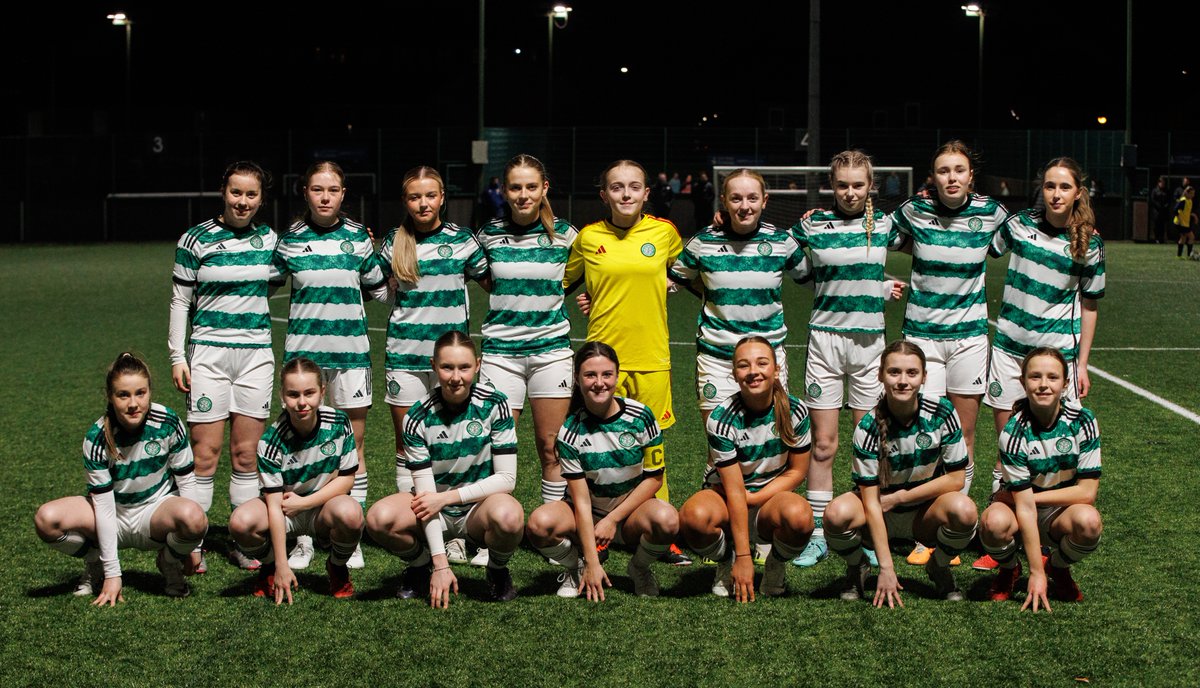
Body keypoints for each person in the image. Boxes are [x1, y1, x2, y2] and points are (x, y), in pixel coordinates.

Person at [563, 160, 689, 565]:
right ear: (604, 195)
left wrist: (671, 282)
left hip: (652, 358)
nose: (626, 194)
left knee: (653, 448)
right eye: (616, 187)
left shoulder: (665, 234)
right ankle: (585, 528)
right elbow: (561, 282)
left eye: (634, 186)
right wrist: (588, 296)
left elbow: (690, 273)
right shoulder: (588, 238)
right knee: (589, 443)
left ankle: (658, 532)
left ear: (646, 192)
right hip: (600, 363)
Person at [982, 158, 1105, 552]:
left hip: (1056, 361)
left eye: (1064, 187)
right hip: (1009, 352)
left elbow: (1089, 305)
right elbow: (983, 244)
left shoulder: (1090, 243)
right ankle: (1003, 542)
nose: (1055, 194)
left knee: (1054, 452)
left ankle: (1050, 539)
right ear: (1042, 189)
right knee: (1008, 448)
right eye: (1049, 186)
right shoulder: (1018, 225)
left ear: (1078, 193)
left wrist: (1081, 365)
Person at [790, 150, 906, 569]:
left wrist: (881, 288)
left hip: (871, 344)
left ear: (870, 186)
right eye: (843, 185)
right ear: (831, 186)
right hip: (824, 342)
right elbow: (797, 268)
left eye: (858, 184)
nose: (851, 192)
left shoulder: (887, 226)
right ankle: (819, 534)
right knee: (823, 444)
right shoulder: (811, 225)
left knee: (869, 442)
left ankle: (870, 530)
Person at [270, 160, 388, 570]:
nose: (325, 196)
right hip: (305, 364)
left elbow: (379, 291)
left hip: (352, 356)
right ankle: (301, 533)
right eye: (317, 189)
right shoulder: (289, 241)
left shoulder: (358, 238)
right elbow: (263, 285)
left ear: (343, 194)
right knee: (300, 449)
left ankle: (347, 535)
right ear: (305, 192)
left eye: (333, 190)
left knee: (352, 447)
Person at [378, 165, 489, 564]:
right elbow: (375, 290)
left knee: (462, 442)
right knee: (408, 447)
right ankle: (423, 529)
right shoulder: (392, 242)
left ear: (442, 198)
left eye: (430, 196)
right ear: (405, 201)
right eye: (414, 197)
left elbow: (494, 282)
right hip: (405, 359)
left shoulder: (463, 241)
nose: (422, 203)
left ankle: (470, 532)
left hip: (452, 363)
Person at [169, 160, 276, 572]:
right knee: (206, 455)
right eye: (236, 192)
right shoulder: (195, 240)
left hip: (255, 357)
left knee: (246, 455)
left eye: (251, 194)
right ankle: (191, 541)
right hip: (209, 356)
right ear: (223, 192)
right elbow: (181, 301)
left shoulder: (270, 239)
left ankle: (241, 540)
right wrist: (178, 356)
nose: (243, 201)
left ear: (261, 198)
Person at [34, 352, 208, 604]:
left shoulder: (168, 423)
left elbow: (187, 482)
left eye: (140, 393)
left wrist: (194, 547)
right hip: (113, 514)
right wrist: (113, 573)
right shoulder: (97, 437)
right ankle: (95, 562)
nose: (133, 403)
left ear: (150, 392)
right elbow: (103, 508)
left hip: (154, 514)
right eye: (123, 395)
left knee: (195, 518)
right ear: (110, 397)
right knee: (46, 519)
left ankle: (168, 562)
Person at [366, 331, 524, 606]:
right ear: (433, 366)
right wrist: (440, 564)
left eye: (464, 367)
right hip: (432, 508)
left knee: (510, 515)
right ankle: (420, 563)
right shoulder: (417, 417)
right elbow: (427, 498)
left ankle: (497, 570)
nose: (456, 377)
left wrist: (448, 497)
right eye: (447, 367)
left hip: (477, 509)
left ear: (477, 365)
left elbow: (507, 480)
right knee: (379, 519)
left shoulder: (495, 404)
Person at [891, 141, 1008, 508]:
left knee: (963, 434)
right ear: (933, 177)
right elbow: (875, 232)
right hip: (921, 338)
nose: (952, 177)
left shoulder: (992, 214)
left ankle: (956, 520)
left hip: (969, 338)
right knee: (926, 432)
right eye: (944, 171)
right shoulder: (914, 211)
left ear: (971, 176)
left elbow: (1025, 233)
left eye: (959, 170)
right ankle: (926, 517)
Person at [823, 341, 978, 606]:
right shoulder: (868, 426)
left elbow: (956, 479)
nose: (903, 381)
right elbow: (871, 502)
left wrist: (900, 498)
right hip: (878, 512)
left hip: (923, 512)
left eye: (911, 373)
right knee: (835, 515)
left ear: (924, 377)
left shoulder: (942, 413)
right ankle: (858, 565)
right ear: (881, 375)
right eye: (894, 372)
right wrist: (887, 567)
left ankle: (938, 566)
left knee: (965, 511)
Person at [526, 342, 680, 600]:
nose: (599, 382)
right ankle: (574, 567)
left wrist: (613, 519)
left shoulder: (642, 416)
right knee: (538, 524)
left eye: (606, 374)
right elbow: (582, 501)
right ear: (577, 379)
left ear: (617, 376)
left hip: (629, 514)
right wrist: (591, 562)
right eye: (590, 375)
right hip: (588, 514)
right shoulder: (570, 431)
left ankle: (639, 568)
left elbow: (654, 479)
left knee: (667, 519)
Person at [669, 168, 809, 430]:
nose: (745, 206)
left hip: (769, 357)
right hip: (717, 357)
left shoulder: (781, 242)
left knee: (772, 442)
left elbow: (815, 280)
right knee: (718, 447)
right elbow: (673, 281)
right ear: (724, 200)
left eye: (752, 198)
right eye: (736, 198)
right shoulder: (704, 242)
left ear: (764, 201)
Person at [678, 337, 815, 601]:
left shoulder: (796, 411)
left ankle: (775, 563)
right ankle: (725, 559)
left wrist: (754, 498)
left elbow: (797, 472)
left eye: (762, 363)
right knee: (693, 517)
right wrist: (742, 557)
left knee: (800, 517)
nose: (753, 371)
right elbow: (734, 491)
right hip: (728, 498)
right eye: (744, 365)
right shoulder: (720, 418)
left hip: (768, 500)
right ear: (734, 374)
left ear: (776, 370)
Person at [476, 155, 575, 508]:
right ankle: (490, 526)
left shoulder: (565, 235)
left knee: (551, 446)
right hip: (501, 355)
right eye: (515, 187)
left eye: (531, 187)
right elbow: (478, 276)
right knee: (493, 444)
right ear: (504, 190)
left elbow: (590, 272)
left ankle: (551, 526)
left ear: (544, 188)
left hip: (550, 354)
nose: (523, 195)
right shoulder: (488, 235)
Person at [228, 357, 363, 604]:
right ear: (282, 395)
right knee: (240, 522)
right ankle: (268, 567)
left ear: (322, 392)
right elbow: (273, 505)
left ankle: (337, 566)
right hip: (283, 510)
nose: (302, 402)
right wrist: (281, 564)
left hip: (321, 508)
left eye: (309, 393)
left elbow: (346, 480)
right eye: (293, 394)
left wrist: (304, 503)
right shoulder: (270, 441)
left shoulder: (339, 423)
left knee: (352, 513)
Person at [980, 347, 1103, 609]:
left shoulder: (1083, 421)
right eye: (1035, 377)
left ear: (1065, 384)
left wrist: (1029, 495)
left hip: (1060, 511)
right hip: (1019, 507)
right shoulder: (1013, 431)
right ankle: (1010, 569)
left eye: (1052, 377)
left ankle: (1058, 567)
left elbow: (1087, 493)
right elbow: (1023, 507)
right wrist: (1035, 573)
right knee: (993, 522)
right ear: (1023, 382)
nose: (1044, 385)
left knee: (1090, 522)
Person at [1175, 186, 1196, 259]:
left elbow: (1186, 211)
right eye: (1191, 193)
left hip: (1185, 223)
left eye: (1194, 193)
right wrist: (1179, 219)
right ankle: (1189, 255)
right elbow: (1175, 210)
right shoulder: (1183, 200)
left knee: (1183, 238)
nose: (1193, 195)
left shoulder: (1189, 201)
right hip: (1181, 223)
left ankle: (1179, 256)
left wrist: (1193, 215)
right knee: (1191, 237)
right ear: (1187, 193)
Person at [1150, 176, 1171, 244]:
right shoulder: (1155, 190)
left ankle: (1161, 238)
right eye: (1161, 182)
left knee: (1162, 225)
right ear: (1158, 183)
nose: (1162, 184)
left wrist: (1166, 205)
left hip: (1163, 211)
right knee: (1156, 225)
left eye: (1163, 183)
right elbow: (1152, 199)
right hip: (1156, 211)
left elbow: (1168, 199)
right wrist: (1157, 205)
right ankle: (1156, 238)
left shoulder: (1166, 191)